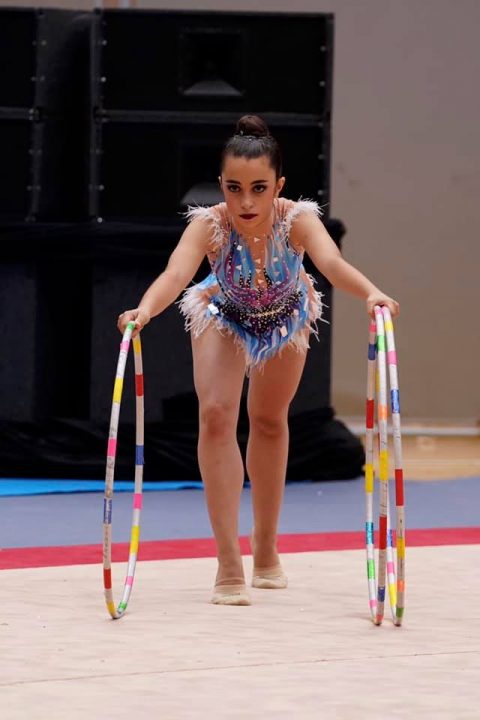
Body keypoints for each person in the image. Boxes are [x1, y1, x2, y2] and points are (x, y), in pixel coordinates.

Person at [117, 114, 399, 606]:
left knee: (268, 420)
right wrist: (144, 310)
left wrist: (372, 293)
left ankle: (265, 547)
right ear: (221, 185)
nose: (246, 202)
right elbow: (175, 274)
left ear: (278, 186)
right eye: (234, 188)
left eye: (258, 189)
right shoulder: (210, 225)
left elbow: (332, 264)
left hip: (286, 317)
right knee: (215, 415)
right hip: (223, 315)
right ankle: (228, 560)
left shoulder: (298, 220)